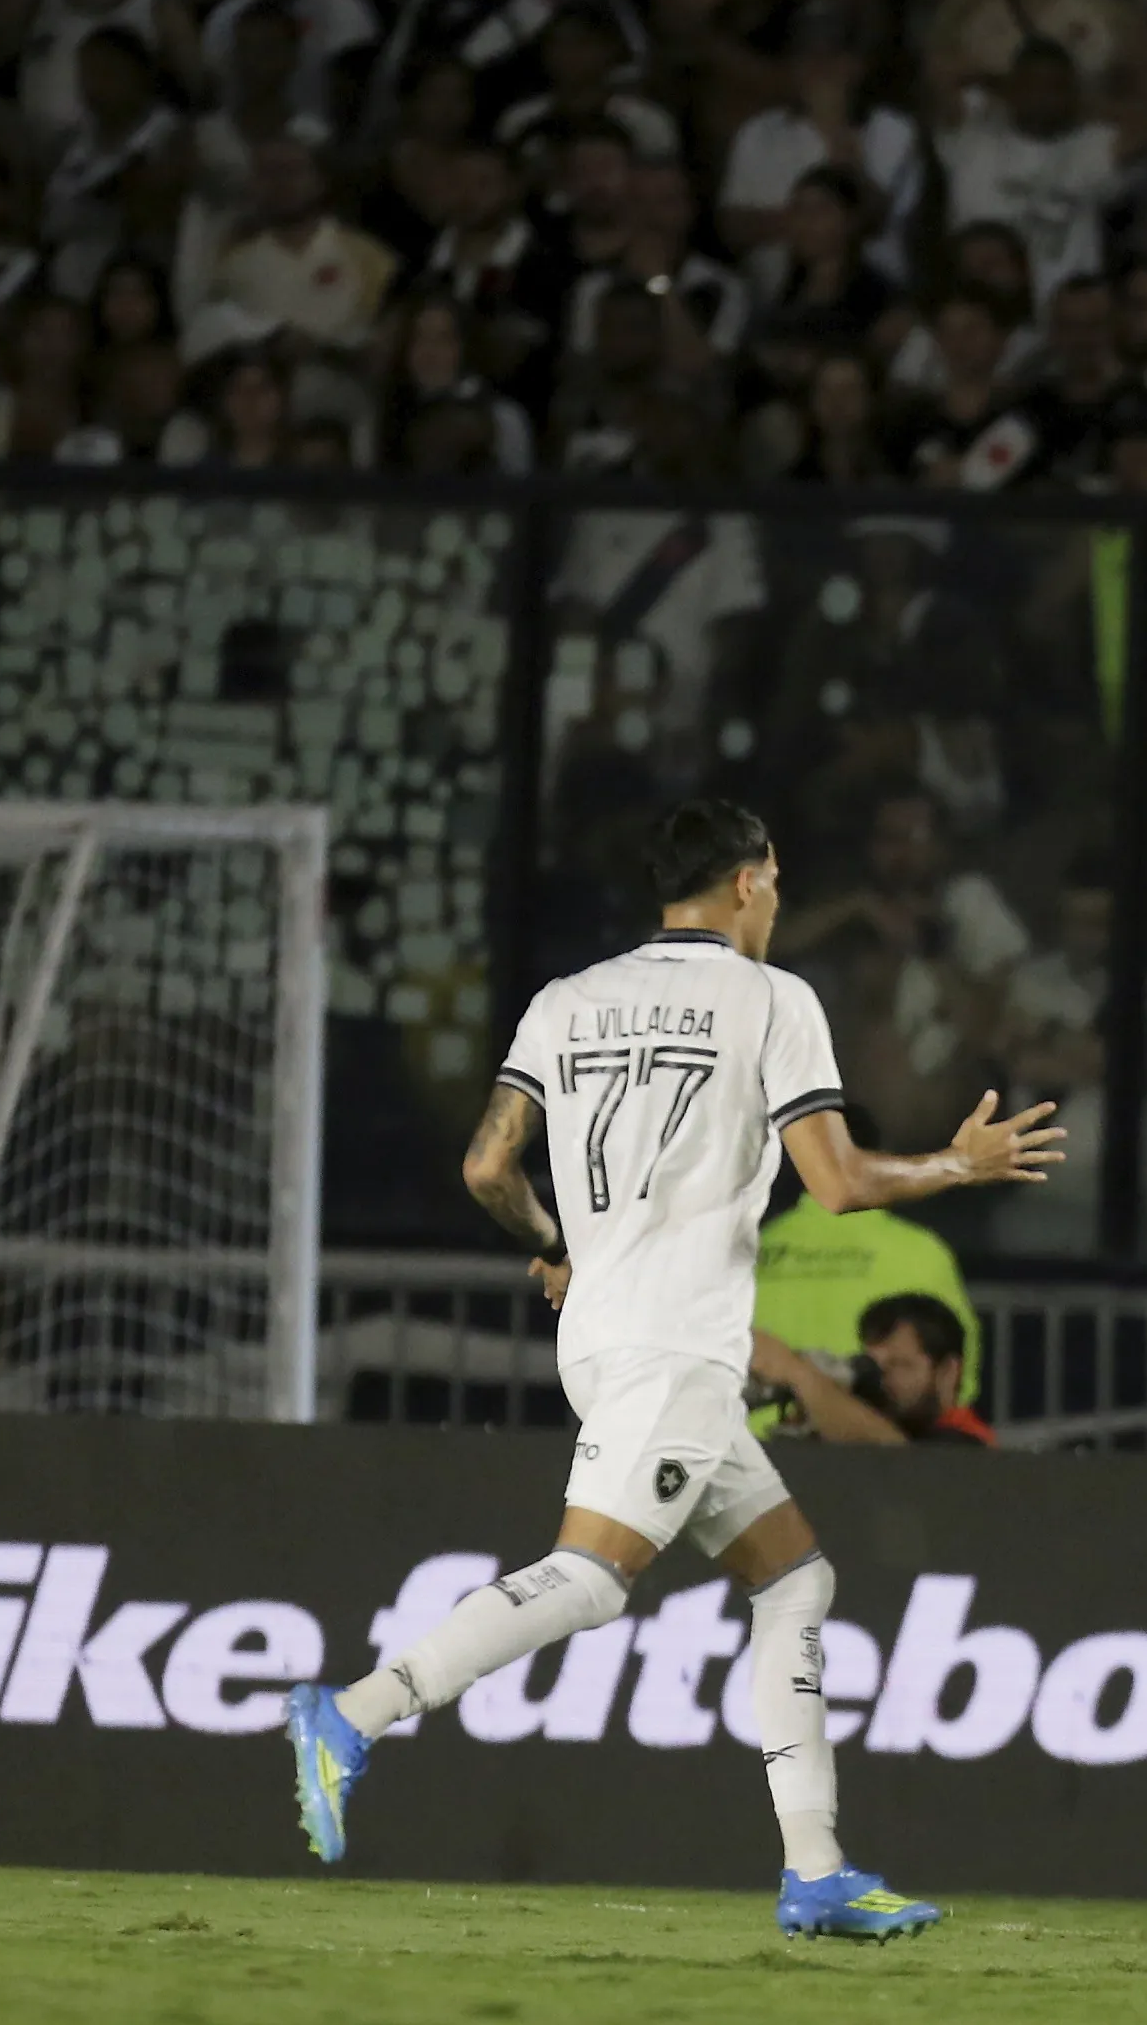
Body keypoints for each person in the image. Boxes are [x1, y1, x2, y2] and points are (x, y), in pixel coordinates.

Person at [281, 799, 1068, 1940]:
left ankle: (816, 1867)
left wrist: (556, 1246)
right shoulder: (770, 999)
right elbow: (837, 1181)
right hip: (682, 1341)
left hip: (602, 1332)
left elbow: (487, 1162)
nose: (780, 900)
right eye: (779, 881)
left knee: (794, 1577)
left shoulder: (567, 1000)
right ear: (751, 881)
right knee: (592, 1580)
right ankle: (351, 1712)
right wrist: (967, 1158)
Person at [748, 1291, 991, 1447]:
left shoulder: (968, 1443)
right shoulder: (878, 1425)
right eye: (874, 1365)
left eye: (899, 1365)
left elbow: (907, 1466)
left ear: (947, 1373)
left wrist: (800, 1376)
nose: (882, 1379)